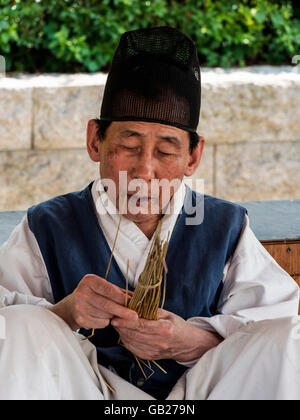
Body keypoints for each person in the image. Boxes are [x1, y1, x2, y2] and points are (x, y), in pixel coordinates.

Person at [0, 26, 299, 400]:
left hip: (197, 395)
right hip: (88, 388)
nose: (144, 171)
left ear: (193, 156)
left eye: (166, 151)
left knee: (289, 337)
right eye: (128, 144)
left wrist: (192, 340)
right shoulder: (48, 225)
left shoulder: (223, 226)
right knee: (19, 323)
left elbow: (273, 321)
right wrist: (65, 313)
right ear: (95, 140)